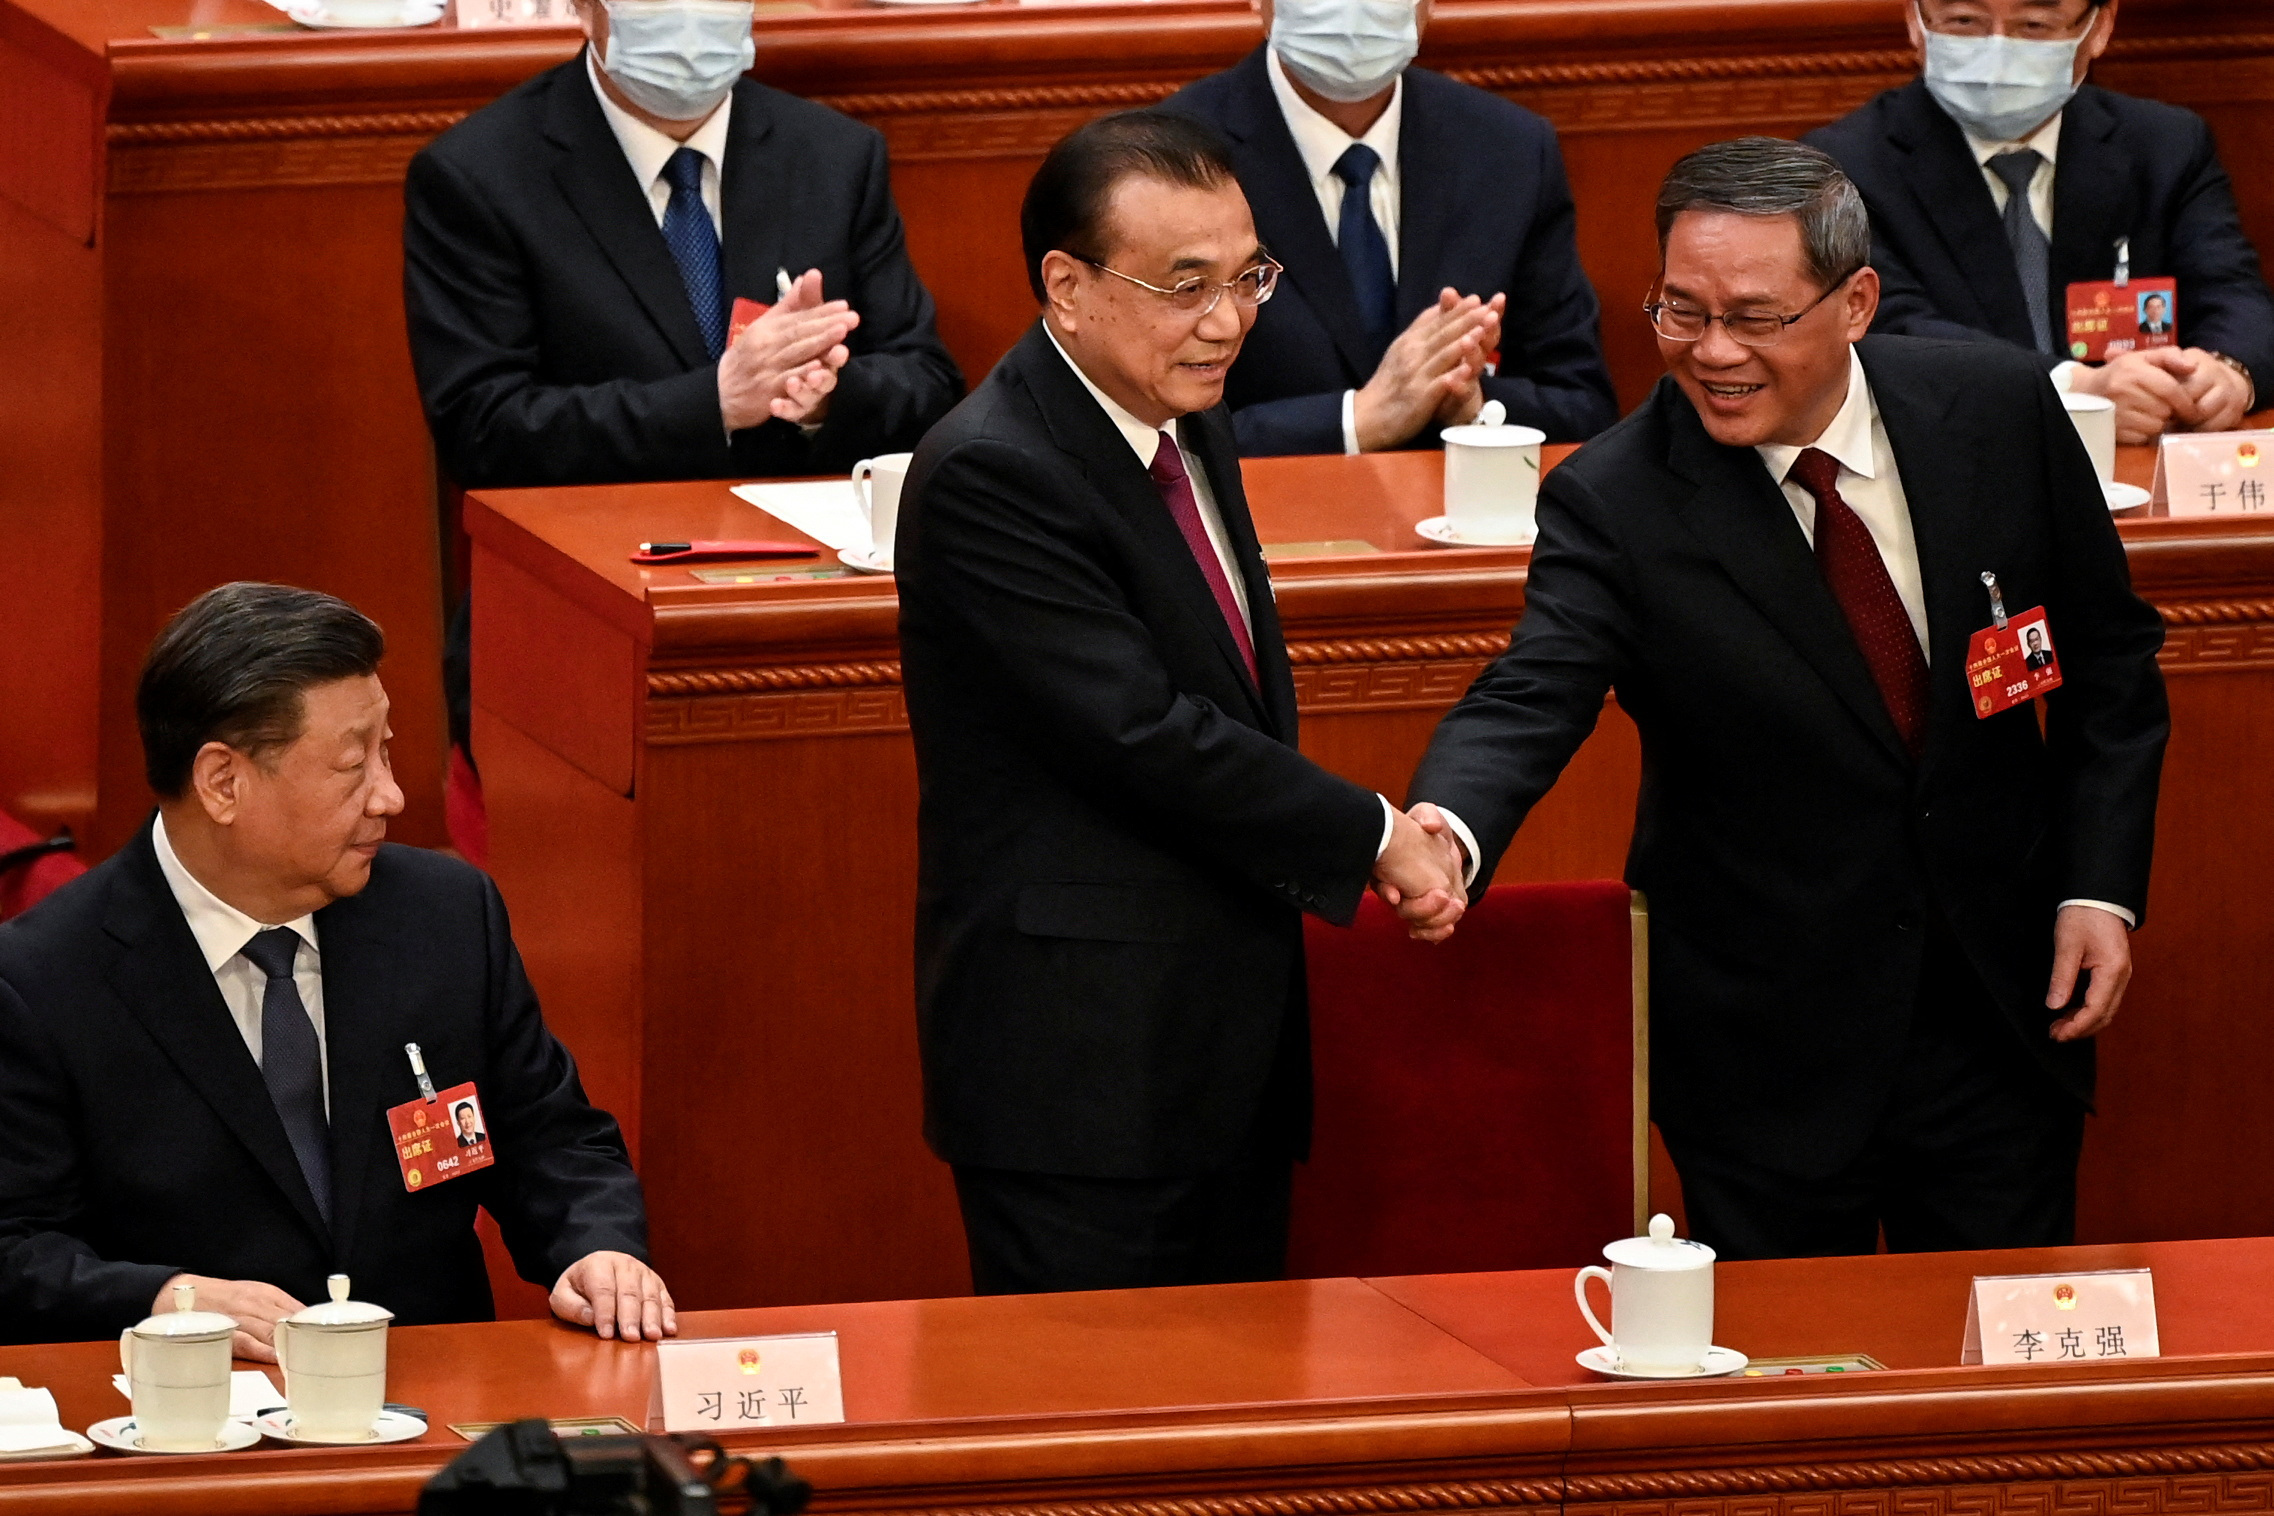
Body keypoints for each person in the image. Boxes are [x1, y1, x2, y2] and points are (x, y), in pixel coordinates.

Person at [1400, 139, 2169, 1260]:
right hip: (1767, 1050)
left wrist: (2100, 887)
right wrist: (1450, 824)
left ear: (1856, 300)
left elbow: (2110, 661)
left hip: (2002, 1012)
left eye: (1756, 317)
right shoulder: (1615, 501)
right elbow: (1533, 688)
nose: (1713, 352)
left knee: (1992, 1384)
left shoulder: (1996, 410)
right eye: (1681, 311)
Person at [896, 111, 1465, 1295]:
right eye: (1184, 285)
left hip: (1223, 1048)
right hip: (1081, 1076)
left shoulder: (1187, 414)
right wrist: (1373, 835)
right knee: (1097, 1441)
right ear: (1066, 284)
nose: (1228, 321)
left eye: (1248, 277)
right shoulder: (993, 469)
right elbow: (1143, 731)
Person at [0, 584, 675, 1356]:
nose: (390, 794)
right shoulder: (41, 981)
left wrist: (597, 1249)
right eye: (353, 764)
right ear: (224, 782)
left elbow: (550, 1139)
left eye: (385, 751)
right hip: (198, 1422)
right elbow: (15, 1248)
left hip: (436, 1407)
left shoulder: (445, 916)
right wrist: (167, 1297)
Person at [403, 0, 964, 780]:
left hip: (805, 607)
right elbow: (485, 428)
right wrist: (715, 402)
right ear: (583, 9)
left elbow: (930, 384)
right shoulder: (479, 175)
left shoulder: (832, 155)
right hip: (582, 625)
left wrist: (830, 394)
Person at [1806, 0, 2274, 444]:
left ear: (2099, 27)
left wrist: (2225, 373)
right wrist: (2072, 391)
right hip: (1960, 456)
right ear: (1916, 21)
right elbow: (1888, 328)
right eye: (1964, 21)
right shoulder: (1843, 167)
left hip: (2145, 461)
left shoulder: (2167, 146)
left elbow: (2232, 291)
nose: (1997, 51)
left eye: (2034, 25)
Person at [1161, 0, 1616, 455]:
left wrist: (1471, 404)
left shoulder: (1510, 149)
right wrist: (1355, 420)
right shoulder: (1170, 160)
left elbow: (1584, 408)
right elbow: (1152, 429)